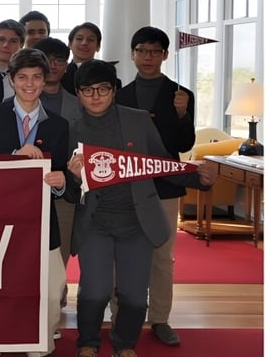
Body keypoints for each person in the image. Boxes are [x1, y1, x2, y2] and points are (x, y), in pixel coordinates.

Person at [65, 60, 215, 357]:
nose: (95, 96)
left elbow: (161, 164)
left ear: (114, 91)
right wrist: (72, 177)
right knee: (94, 292)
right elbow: (68, 191)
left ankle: (124, 344)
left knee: (134, 297)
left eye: (103, 89)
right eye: (87, 90)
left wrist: (200, 179)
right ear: (78, 93)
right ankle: (88, 342)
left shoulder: (138, 121)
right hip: (96, 222)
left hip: (138, 221)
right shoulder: (71, 128)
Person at [0, 48, 69, 357]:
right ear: (12, 80)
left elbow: (66, 172)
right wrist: (14, 159)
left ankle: (39, 343)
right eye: (23, 77)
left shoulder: (59, 124)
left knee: (53, 291)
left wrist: (62, 181)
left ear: (45, 80)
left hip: (43, 220)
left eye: (37, 77)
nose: (30, 84)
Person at [114, 26, 196, 347]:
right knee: (125, 255)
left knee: (162, 256)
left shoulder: (181, 93)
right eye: (142, 51)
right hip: (127, 185)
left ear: (165, 55)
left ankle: (160, 318)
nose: (148, 57)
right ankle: (123, 313)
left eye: (154, 52)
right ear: (133, 54)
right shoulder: (119, 95)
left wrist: (180, 114)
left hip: (164, 184)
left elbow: (184, 143)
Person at [33, 37, 82, 286]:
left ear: (66, 65)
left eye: (59, 60)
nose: (52, 65)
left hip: (63, 192)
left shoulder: (79, 104)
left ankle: (56, 308)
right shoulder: (22, 100)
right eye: (47, 59)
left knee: (58, 256)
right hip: (25, 191)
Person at [0, 19, 26, 100]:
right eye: (1, 39)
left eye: (13, 41)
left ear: (21, 45)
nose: (6, 45)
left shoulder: (27, 76)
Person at [62, 22, 103, 95]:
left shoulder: (107, 75)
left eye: (90, 40)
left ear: (98, 46)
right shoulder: (60, 74)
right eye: (79, 39)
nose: (84, 43)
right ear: (69, 44)